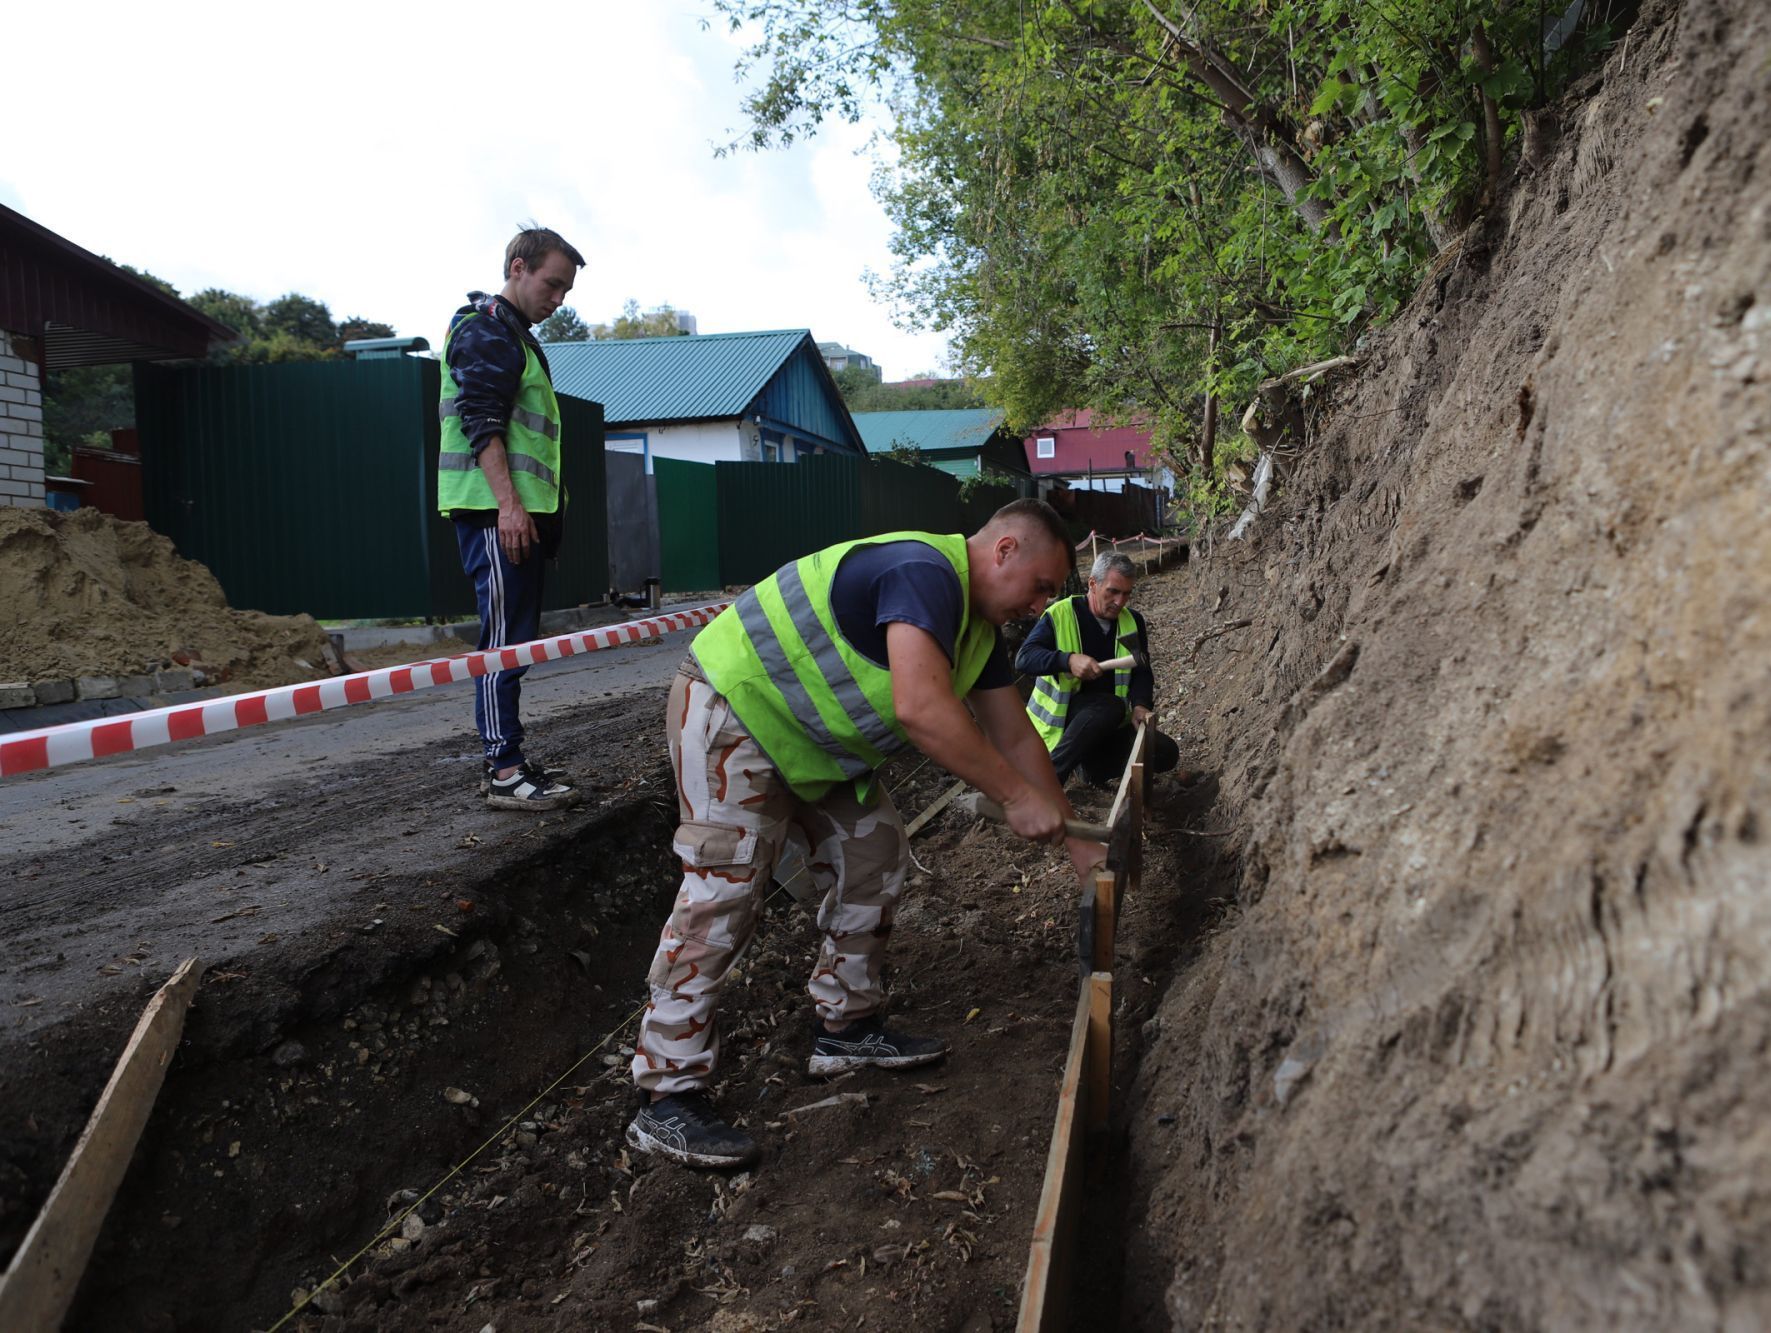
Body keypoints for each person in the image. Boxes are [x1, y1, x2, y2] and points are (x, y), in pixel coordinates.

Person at [625, 499, 1104, 1168]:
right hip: (734, 711)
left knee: (875, 851)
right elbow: (921, 708)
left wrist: (1080, 847)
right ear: (1003, 552)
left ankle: (844, 1027)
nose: (1042, 603)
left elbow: (1014, 734)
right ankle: (664, 1097)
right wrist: (1014, 798)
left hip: (811, 744)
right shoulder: (924, 572)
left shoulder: (977, 632)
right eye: (1042, 586)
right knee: (722, 894)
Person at [438, 225, 586, 811]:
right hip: (493, 514)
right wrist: (509, 506)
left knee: (513, 643)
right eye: (552, 284)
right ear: (518, 268)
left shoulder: (514, 337)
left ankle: (508, 759)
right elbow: (482, 422)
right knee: (503, 645)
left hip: (509, 515)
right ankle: (504, 770)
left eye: (566, 291)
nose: (558, 300)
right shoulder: (486, 333)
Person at [1015, 551, 1180, 788]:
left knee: (1165, 752)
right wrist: (1068, 660)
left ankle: (1089, 768)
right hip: (1065, 724)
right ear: (1093, 584)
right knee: (1109, 705)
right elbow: (1024, 659)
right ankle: (1049, 779)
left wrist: (1141, 704)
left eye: (1126, 594)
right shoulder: (1060, 614)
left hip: (1110, 725)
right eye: (1113, 592)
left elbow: (1141, 670)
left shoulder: (1132, 621)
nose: (1120, 602)